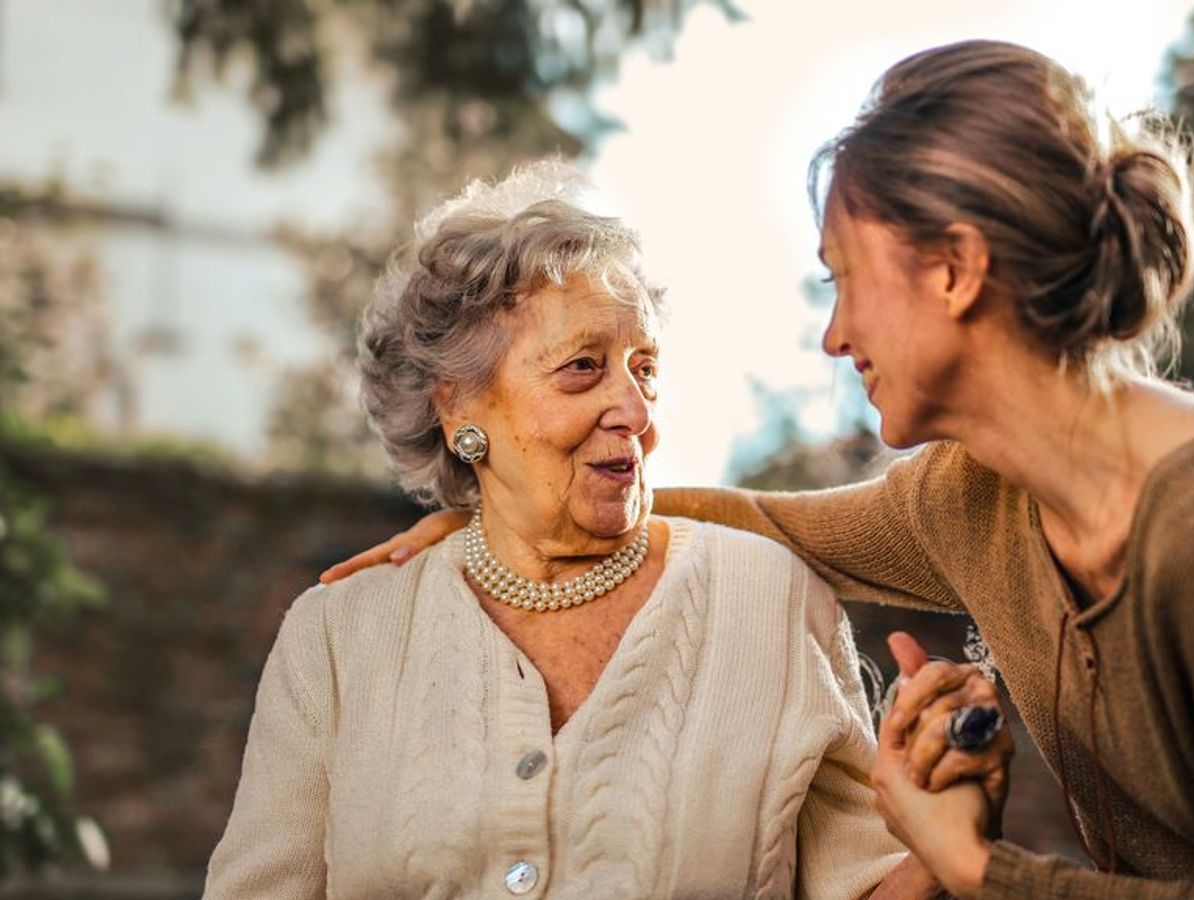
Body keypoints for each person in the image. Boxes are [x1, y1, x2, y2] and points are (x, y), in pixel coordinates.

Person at [322, 41, 1194, 898]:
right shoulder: (970, 499)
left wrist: (977, 869)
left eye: (845, 280)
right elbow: (767, 522)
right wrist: (512, 510)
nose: (836, 335)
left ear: (956, 270)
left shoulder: (1187, 522)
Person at [205, 162, 947, 898]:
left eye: (645, 369)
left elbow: (863, 884)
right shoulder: (337, 638)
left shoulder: (773, 603)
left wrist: (946, 846)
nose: (636, 410)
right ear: (459, 408)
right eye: (583, 368)